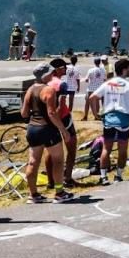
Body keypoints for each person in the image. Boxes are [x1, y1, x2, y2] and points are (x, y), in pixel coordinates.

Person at [20, 62, 73, 203]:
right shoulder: (49, 90)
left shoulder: (30, 90)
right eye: (50, 73)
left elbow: (24, 113)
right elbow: (51, 113)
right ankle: (59, 192)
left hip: (32, 128)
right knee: (58, 160)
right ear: (45, 76)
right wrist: (63, 130)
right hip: (47, 128)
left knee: (32, 161)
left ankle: (33, 194)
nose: (52, 74)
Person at [90, 58, 129, 184]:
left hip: (109, 118)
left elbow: (93, 97)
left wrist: (95, 113)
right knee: (123, 149)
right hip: (124, 120)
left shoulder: (108, 83)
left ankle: (103, 177)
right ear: (124, 70)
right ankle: (118, 175)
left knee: (106, 149)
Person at [43, 58, 79, 188]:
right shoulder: (61, 84)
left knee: (49, 150)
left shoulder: (45, 83)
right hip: (63, 118)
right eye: (64, 67)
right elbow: (61, 104)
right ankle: (67, 178)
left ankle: (50, 182)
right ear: (57, 69)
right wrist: (59, 124)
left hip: (48, 119)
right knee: (72, 147)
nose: (65, 69)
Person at [83, 56, 107, 120]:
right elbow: (105, 79)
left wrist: (88, 80)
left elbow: (86, 79)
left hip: (91, 88)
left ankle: (85, 116)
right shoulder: (103, 70)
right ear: (100, 62)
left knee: (87, 102)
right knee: (97, 102)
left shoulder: (91, 70)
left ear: (94, 62)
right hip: (99, 88)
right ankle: (96, 116)